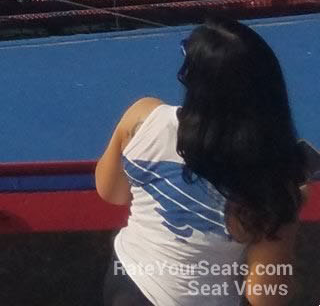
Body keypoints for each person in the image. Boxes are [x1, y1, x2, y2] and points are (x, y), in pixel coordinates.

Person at [95, 17, 307, 305]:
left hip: (126, 283)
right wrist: (290, 212)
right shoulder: (271, 182)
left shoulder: (142, 117)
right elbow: (264, 295)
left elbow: (112, 192)